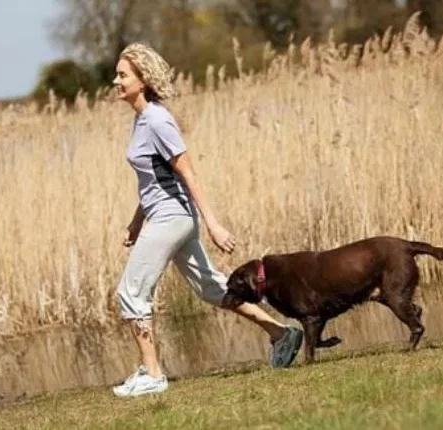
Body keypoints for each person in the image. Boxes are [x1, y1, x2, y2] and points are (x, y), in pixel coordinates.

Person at [111, 43, 303, 397]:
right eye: (117, 74)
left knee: (131, 292)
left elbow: (187, 173)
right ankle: (281, 333)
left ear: (143, 79)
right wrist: (137, 221)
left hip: (172, 217)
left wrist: (213, 224)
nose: (116, 81)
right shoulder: (142, 120)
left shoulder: (157, 120)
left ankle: (152, 374)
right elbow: (154, 179)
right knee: (212, 288)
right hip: (166, 216)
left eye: (123, 75)